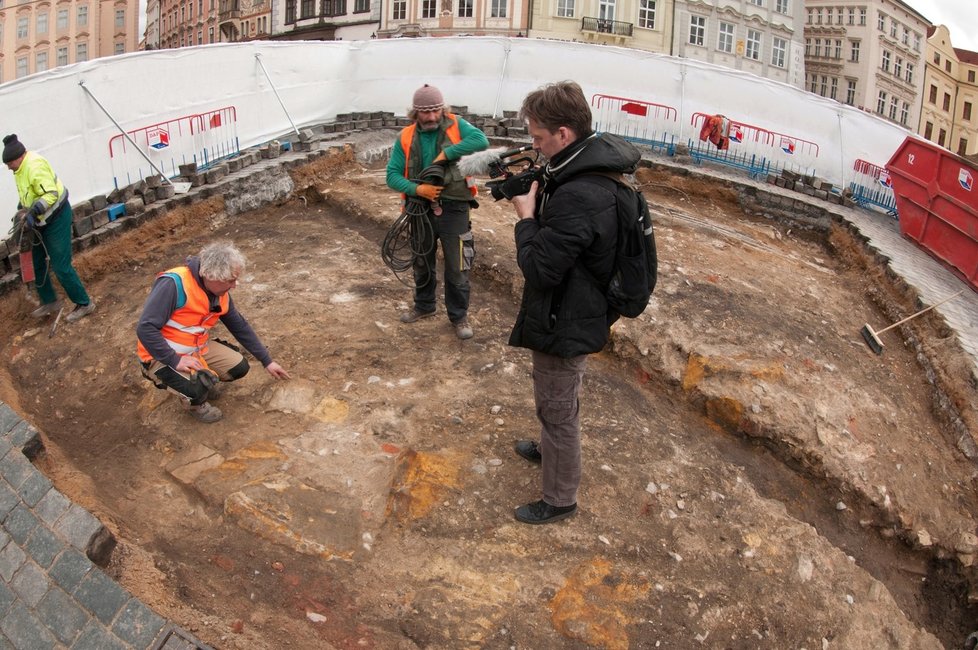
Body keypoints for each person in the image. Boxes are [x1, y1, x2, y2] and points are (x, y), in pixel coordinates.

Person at [505, 81, 642, 525]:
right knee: (559, 395)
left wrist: (526, 216)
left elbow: (541, 268)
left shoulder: (581, 193)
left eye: (539, 138)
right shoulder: (585, 166)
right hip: (577, 305)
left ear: (564, 134)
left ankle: (560, 498)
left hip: (567, 317)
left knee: (558, 407)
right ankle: (548, 449)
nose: (534, 146)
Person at [136, 241, 291, 423]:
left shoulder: (219, 291)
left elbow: (238, 325)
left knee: (239, 367)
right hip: (159, 356)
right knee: (197, 388)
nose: (235, 285)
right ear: (210, 275)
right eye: (230, 280)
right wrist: (174, 360)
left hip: (195, 349)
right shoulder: (174, 284)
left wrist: (267, 361)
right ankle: (195, 403)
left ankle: (200, 381)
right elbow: (145, 328)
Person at [385, 83, 489, 340]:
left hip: (455, 208)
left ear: (442, 109)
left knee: (459, 265)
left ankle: (458, 315)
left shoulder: (457, 125)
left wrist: (447, 153)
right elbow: (392, 175)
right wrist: (418, 190)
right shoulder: (406, 137)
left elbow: (481, 140)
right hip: (419, 209)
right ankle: (424, 306)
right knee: (421, 260)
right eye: (425, 112)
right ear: (415, 113)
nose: (431, 117)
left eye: (435, 110)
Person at [4, 134, 96, 322]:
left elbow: (50, 194)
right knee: (36, 261)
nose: (8, 167)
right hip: (39, 220)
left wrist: (33, 212)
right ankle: (49, 301)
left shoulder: (34, 165)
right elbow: (28, 193)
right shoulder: (19, 170)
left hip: (57, 217)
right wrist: (22, 209)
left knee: (60, 265)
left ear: (18, 157)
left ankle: (84, 303)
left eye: (9, 163)